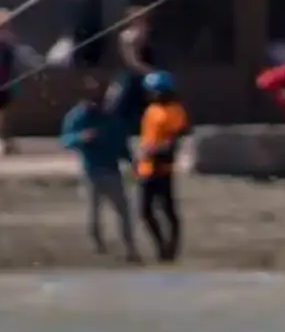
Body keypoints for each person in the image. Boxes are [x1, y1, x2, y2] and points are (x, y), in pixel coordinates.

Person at [58, 76, 141, 262]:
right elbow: (65, 139)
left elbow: (121, 143)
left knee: (124, 211)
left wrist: (132, 162)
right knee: (93, 211)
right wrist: (80, 137)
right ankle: (98, 244)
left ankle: (130, 247)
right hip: (91, 172)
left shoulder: (112, 118)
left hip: (112, 171)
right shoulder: (78, 116)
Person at [135, 70, 188, 262]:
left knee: (167, 209)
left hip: (162, 167)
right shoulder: (151, 110)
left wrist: (153, 151)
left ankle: (171, 248)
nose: (152, 95)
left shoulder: (174, 111)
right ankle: (161, 245)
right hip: (145, 167)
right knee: (144, 211)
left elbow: (172, 142)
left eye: (155, 91)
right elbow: (147, 138)